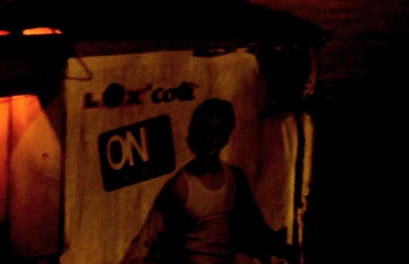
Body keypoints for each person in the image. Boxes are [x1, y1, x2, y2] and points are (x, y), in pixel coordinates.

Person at [120, 98, 291, 264]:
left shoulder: (234, 179)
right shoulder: (180, 187)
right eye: (204, 131)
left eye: (218, 132)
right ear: (194, 136)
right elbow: (146, 243)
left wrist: (282, 244)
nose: (210, 139)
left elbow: (256, 232)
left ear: (226, 136)